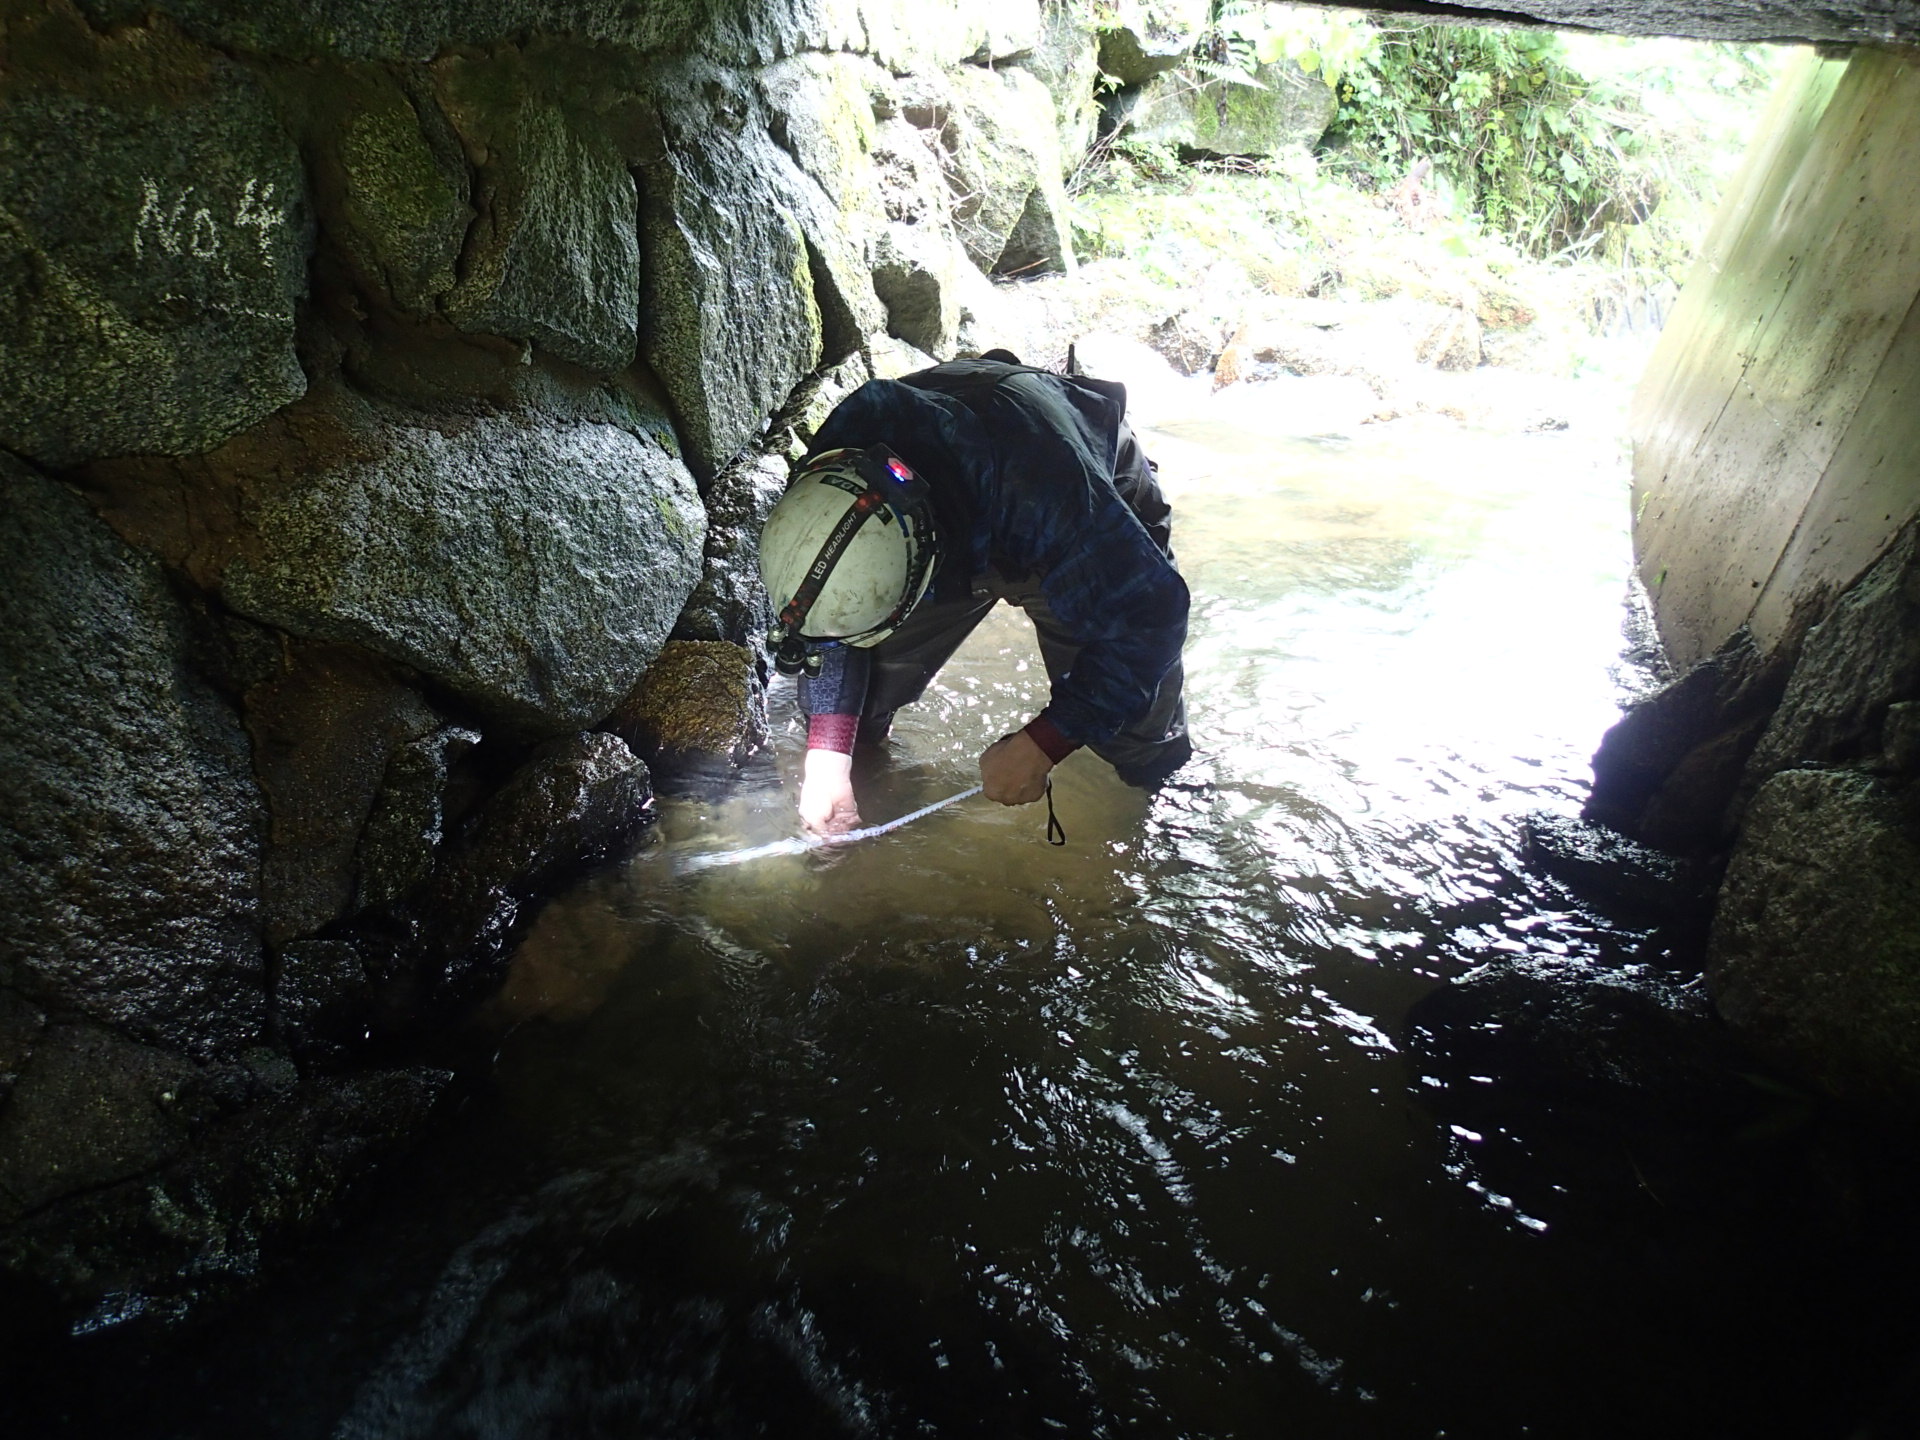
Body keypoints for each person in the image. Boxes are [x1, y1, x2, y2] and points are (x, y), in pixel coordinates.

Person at [758, 351, 1192, 836]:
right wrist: (827, 759)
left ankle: (1165, 817)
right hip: (952, 496)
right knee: (857, 707)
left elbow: (1154, 619)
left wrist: (1045, 742)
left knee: (1135, 723)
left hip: (1064, 483)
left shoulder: (1054, 501)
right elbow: (830, 625)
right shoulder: (826, 482)